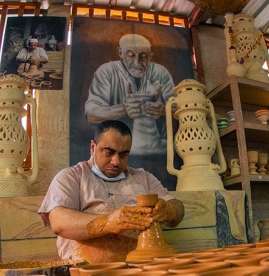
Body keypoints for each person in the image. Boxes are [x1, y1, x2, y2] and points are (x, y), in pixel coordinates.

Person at [39, 120, 184, 263]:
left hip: (141, 266)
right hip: (86, 270)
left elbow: (177, 209)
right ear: (92, 147)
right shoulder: (72, 177)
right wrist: (109, 222)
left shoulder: (143, 177)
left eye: (123, 155)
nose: (116, 162)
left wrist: (169, 210)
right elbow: (58, 221)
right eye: (109, 152)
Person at [84, 33, 175, 155]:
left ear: (150, 55)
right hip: (115, 150)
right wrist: (124, 109)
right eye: (131, 55)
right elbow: (91, 115)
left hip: (156, 149)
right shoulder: (106, 71)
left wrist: (163, 111)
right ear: (120, 52)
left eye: (143, 56)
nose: (137, 62)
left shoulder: (160, 72)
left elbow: (180, 111)